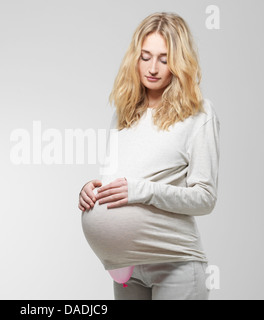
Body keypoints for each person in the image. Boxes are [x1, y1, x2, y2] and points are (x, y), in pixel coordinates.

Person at [78, 12, 220, 300]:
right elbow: (114, 180)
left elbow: (205, 198)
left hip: (175, 264)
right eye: (145, 57)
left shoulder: (199, 114)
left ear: (179, 63)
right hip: (126, 267)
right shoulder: (125, 112)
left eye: (164, 59)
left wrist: (141, 191)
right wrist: (91, 191)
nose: (153, 68)